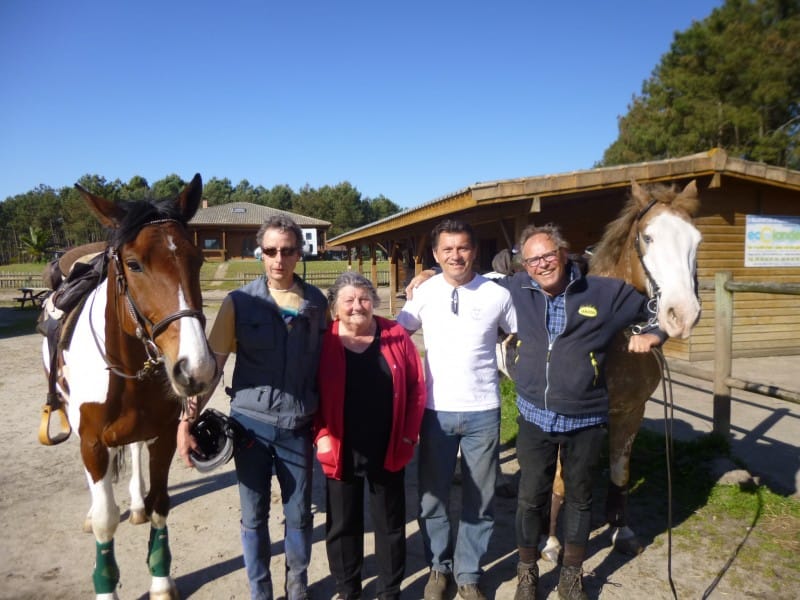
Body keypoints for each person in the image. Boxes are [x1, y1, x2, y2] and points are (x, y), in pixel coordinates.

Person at [506, 224, 665, 600]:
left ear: (563, 253)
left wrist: (654, 334)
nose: (542, 264)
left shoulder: (605, 292)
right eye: (533, 260)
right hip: (534, 415)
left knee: (580, 498)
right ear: (524, 266)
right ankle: (527, 573)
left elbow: (661, 306)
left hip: (586, 417)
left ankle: (571, 576)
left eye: (548, 255)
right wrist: (429, 274)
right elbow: (471, 284)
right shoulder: (516, 288)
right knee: (530, 498)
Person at [177, 215, 328, 600]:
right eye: (272, 251)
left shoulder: (316, 303)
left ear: (299, 253)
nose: (279, 259)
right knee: (254, 515)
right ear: (261, 253)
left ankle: (297, 589)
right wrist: (187, 419)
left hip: (298, 427)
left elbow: (329, 367)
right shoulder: (239, 303)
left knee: (299, 517)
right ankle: (260, 593)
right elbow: (212, 369)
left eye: (288, 251)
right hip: (251, 429)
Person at [396, 219, 517, 600]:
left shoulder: (496, 294)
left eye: (462, 247)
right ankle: (438, 567)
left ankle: (468, 573)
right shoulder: (424, 293)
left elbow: (521, 334)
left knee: (479, 499)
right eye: (446, 249)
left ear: (474, 250)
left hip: (484, 409)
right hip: (435, 411)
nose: (456, 255)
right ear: (435, 254)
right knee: (432, 496)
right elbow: (396, 336)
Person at [315, 271, 426, 600]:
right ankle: (348, 589)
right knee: (342, 524)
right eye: (348, 300)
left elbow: (416, 388)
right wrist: (320, 435)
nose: (356, 306)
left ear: (374, 302)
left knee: (390, 523)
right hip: (340, 445)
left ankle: (389, 591)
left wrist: (408, 436)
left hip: (387, 444)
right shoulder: (324, 340)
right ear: (335, 307)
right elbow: (310, 392)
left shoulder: (394, 333)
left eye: (363, 298)